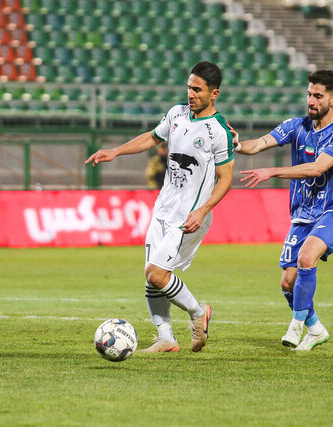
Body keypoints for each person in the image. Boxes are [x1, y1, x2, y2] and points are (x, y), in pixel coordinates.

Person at [86, 61, 235, 353]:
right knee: (151, 277)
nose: (190, 94)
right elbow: (152, 137)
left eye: (197, 89)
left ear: (214, 94)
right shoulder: (177, 113)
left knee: (156, 273)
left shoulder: (218, 131)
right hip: (163, 210)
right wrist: (116, 151)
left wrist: (203, 210)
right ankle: (166, 338)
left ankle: (199, 312)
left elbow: (226, 178)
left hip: (189, 216)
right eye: (189, 87)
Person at [232, 70, 333, 351]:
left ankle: (296, 325)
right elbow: (258, 144)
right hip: (303, 213)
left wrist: (272, 171)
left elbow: (317, 168)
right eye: (309, 94)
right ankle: (316, 329)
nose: (311, 100)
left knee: (306, 257)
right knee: (288, 283)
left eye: (318, 96)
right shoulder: (296, 126)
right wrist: (237, 144)